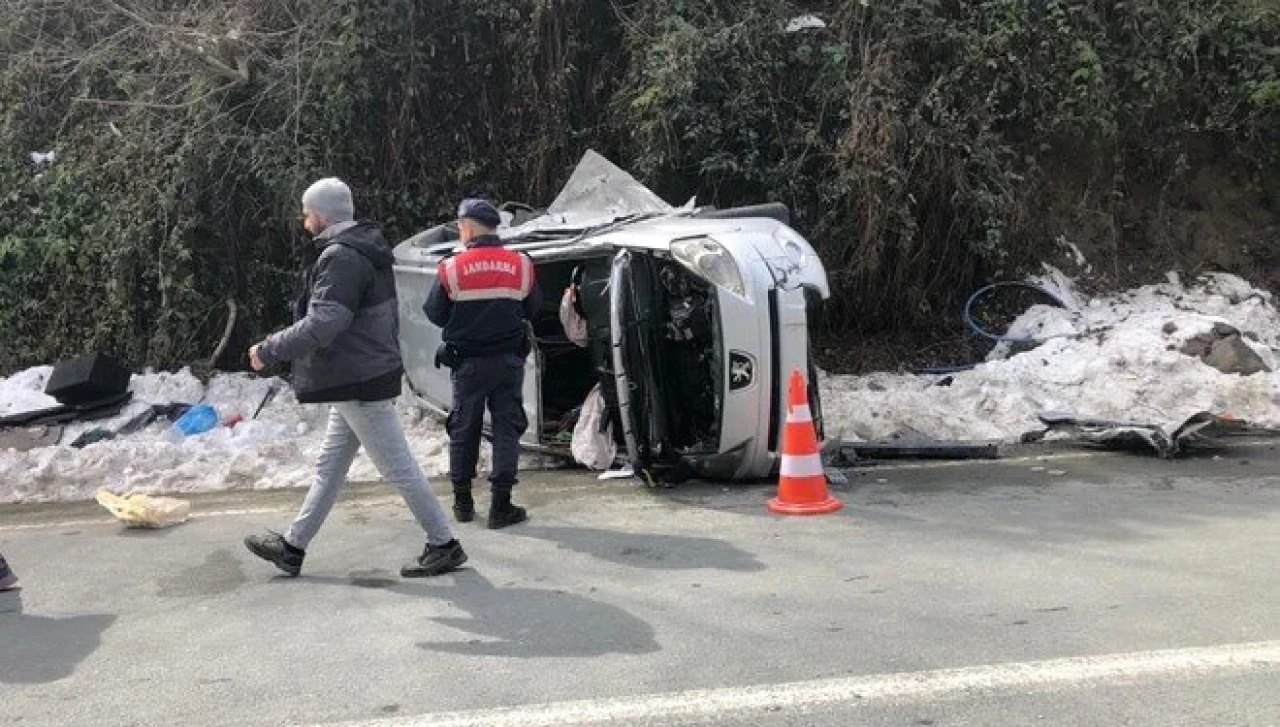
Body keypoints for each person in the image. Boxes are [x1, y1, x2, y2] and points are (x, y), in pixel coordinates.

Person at [244, 177, 464, 578]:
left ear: (322, 215)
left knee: (398, 467)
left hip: (359, 378)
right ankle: (293, 548)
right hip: (356, 375)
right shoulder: (360, 246)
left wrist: (269, 349)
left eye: (307, 213)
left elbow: (325, 321)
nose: (304, 220)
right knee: (330, 466)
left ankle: (444, 543)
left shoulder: (341, 256)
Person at [424, 199, 542, 529]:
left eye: (460, 226)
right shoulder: (521, 263)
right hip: (508, 361)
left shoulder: (451, 267)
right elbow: (533, 309)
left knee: (464, 429)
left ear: (471, 226)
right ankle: (501, 507)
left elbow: (434, 313)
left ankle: (463, 504)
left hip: (468, 365)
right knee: (507, 429)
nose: (459, 232)